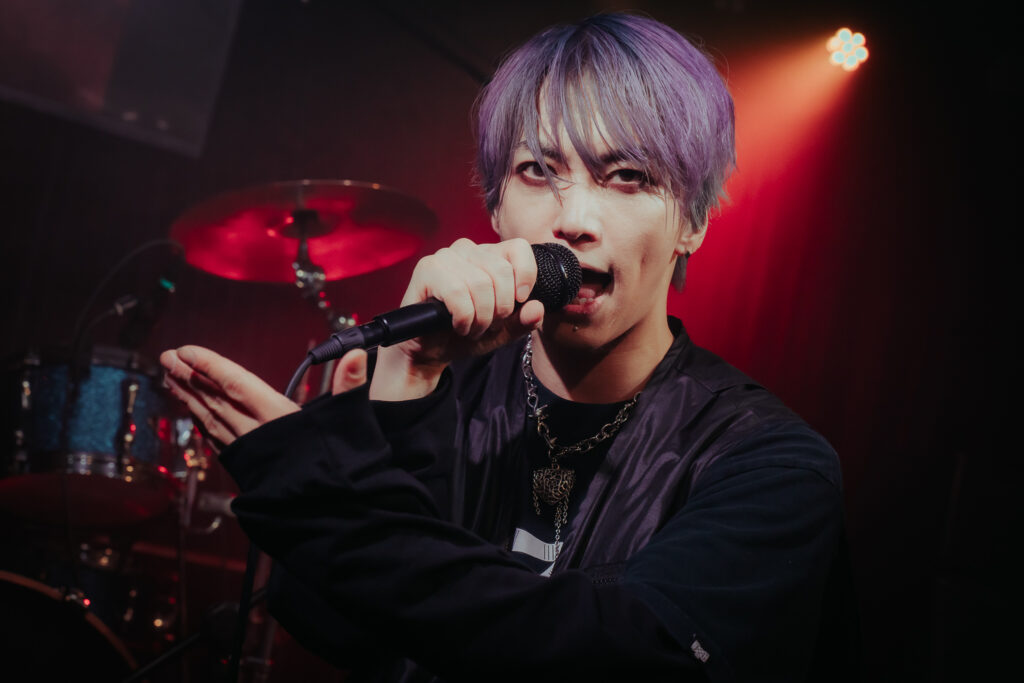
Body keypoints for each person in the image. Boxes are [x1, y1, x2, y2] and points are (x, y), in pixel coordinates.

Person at [161, 13, 859, 682]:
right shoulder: (428, 383)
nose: (574, 218)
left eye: (628, 176)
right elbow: (334, 632)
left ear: (693, 223)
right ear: (496, 205)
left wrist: (323, 501)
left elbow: (612, 658)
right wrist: (407, 381)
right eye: (538, 171)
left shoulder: (768, 464)